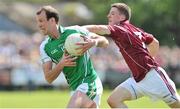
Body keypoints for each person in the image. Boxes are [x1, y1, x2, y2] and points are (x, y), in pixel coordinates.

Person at [82, 3, 180, 108]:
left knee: (176, 105)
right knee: (113, 100)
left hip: (153, 77)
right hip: (138, 79)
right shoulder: (135, 29)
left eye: (113, 13)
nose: (108, 16)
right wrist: (147, 60)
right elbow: (154, 42)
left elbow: (98, 28)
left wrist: (77, 28)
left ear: (122, 17)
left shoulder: (120, 29)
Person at [35, 5, 109, 108]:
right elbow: (48, 78)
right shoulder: (45, 47)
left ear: (52, 20)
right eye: (38, 21)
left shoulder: (75, 31)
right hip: (75, 88)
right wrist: (61, 64)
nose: (39, 25)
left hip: (89, 82)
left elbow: (105, 42)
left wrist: (94, 42)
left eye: (41, 21)